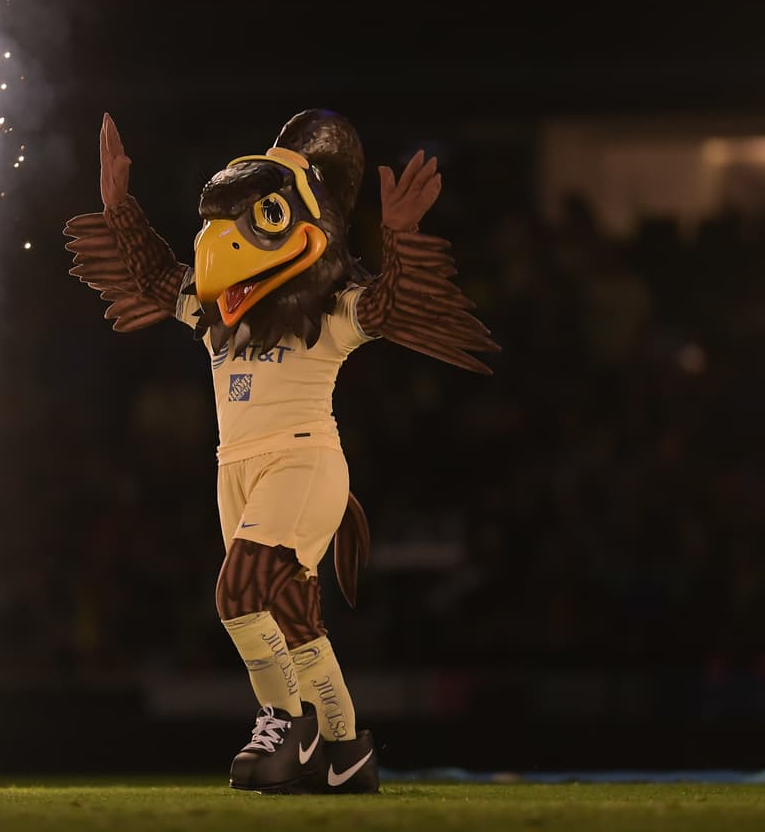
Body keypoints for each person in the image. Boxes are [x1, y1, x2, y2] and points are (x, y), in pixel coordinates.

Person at [64, 110, 498, 793]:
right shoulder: (217, 317)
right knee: (295, 618)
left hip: (302, 461)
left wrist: (401, 237)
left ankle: (284, 720)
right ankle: (346, 747)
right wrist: (121, 210)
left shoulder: (326, 310)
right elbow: (154, 278)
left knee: (237, 592)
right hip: (233, 468)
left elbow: (389, 306)